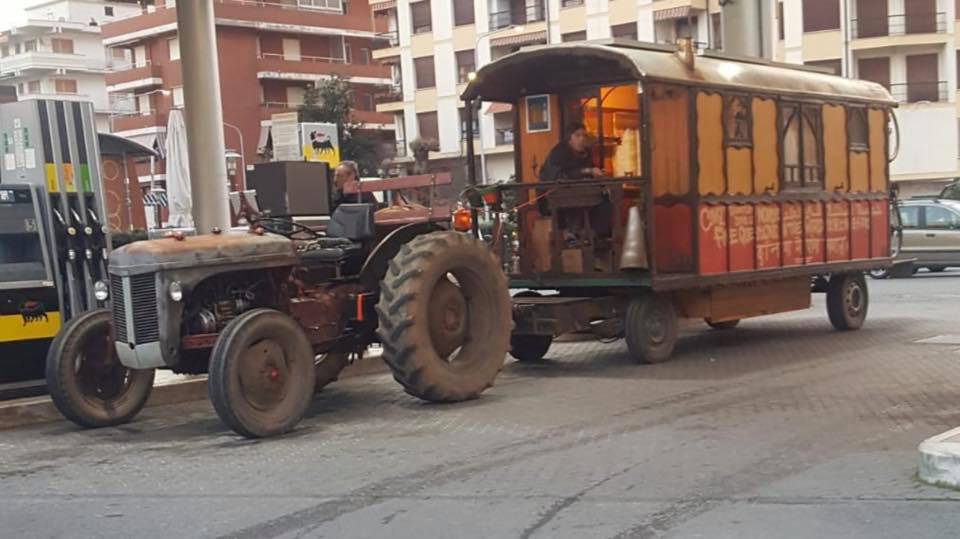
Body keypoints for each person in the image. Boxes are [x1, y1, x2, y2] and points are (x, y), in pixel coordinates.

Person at [538, 122, 604, 182]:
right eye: (577, 135)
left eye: (584, 136)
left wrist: (595, 174)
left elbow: (589, 171)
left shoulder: (586, 152)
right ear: (569, 138)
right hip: (556, 192)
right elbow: (558, 177)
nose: (582, 139)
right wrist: (587, 171)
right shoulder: (559, 152)